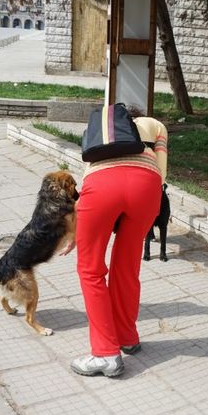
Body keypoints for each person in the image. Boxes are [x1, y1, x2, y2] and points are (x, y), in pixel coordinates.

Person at [67, 108, 168, 377]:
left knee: (90, 270)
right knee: (127, 266)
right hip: (147, 185)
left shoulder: (100, 130)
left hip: (101, 184)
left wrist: (80, 227)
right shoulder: (156, 125)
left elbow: (89, 171)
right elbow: (162, 173)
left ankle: (105, 354)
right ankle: (127, 337)